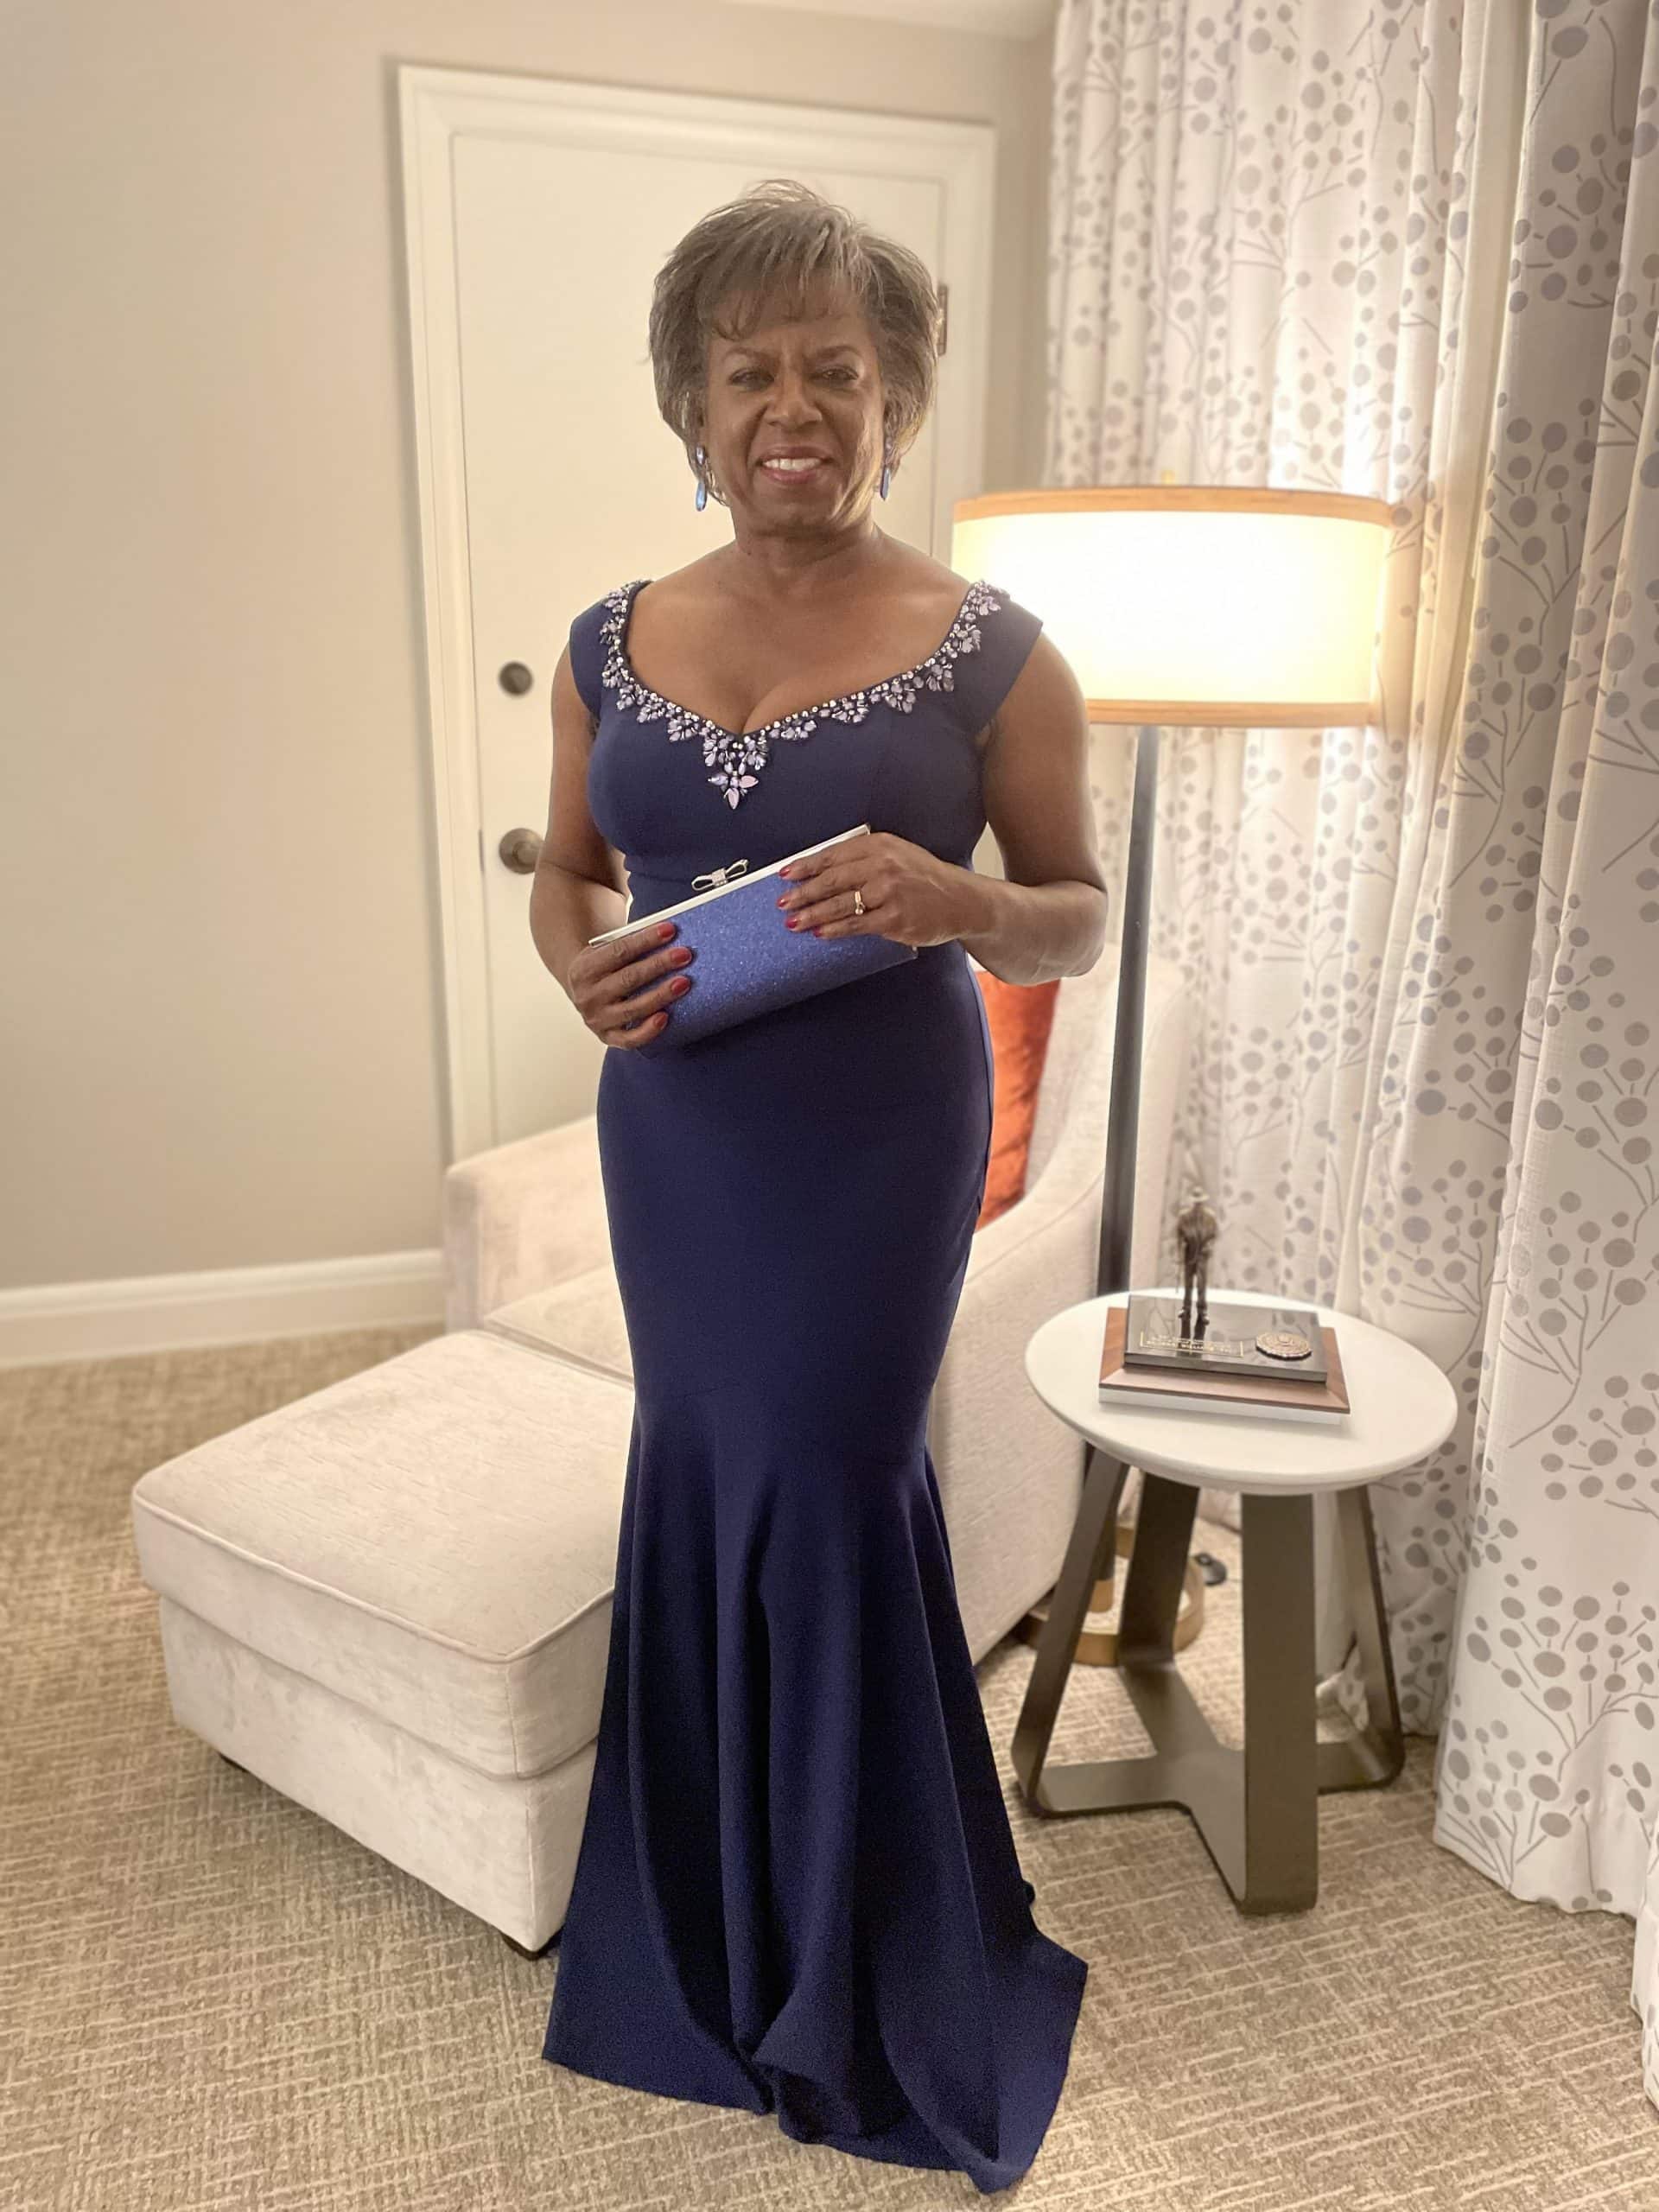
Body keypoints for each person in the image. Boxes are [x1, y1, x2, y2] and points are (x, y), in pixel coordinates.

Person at [531, 178, 1108, 2194]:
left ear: (896, 401)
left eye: (835, 372)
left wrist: (961, 899)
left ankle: (867, 1965)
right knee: (701, 1461)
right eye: (749, 372)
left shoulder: (993, 649)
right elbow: (571, 871)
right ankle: (702, 1934)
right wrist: (576, 967)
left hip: (873, 1132)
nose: (792, 406)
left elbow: (1075, 911)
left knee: (834, 1482)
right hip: (677, 1127)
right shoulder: (607, 639)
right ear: (691, 408)